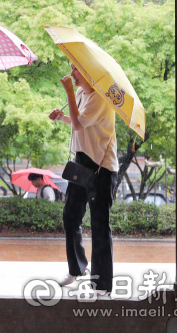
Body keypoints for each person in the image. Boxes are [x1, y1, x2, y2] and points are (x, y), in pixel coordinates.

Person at [49, 64, 118, 295]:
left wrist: (68, 91)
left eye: (77, 70)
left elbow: (80, 123)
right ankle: (76, 268)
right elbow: (77, 121)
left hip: (101, 168)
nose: (72, 74)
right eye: (72, 69)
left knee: (99, 225)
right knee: (70, 216)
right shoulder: (81, 93)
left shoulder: (101, 97)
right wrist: (63, 117)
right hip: (81, 162)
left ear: (90, 72)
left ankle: (102, 285)